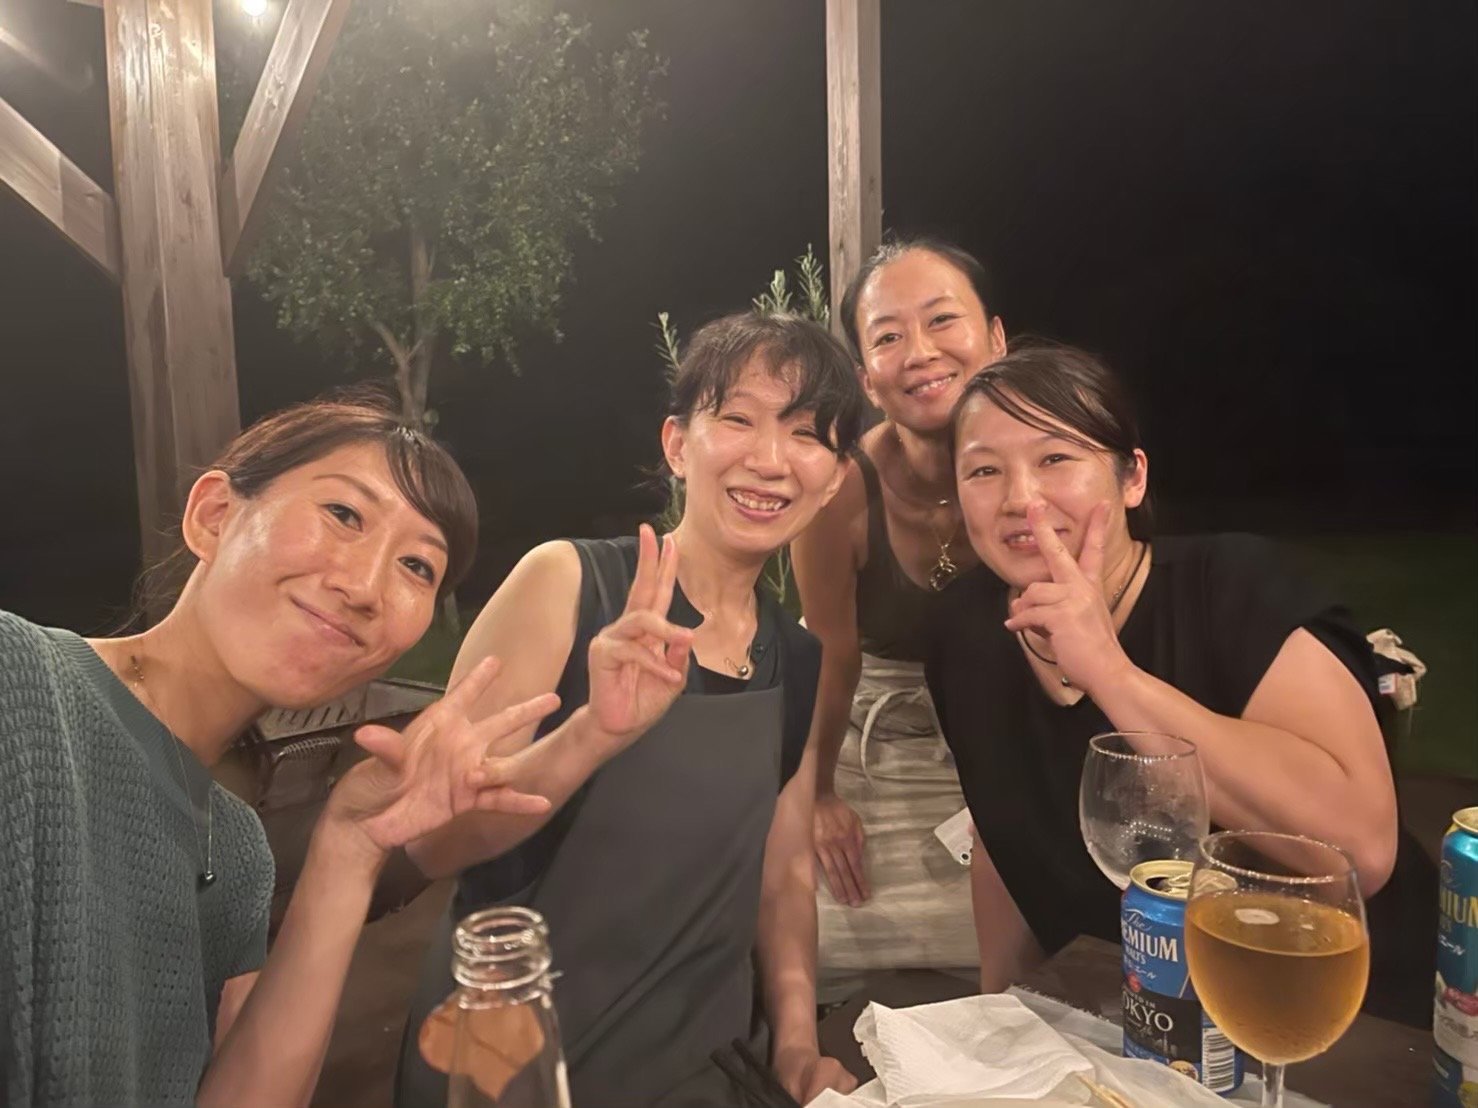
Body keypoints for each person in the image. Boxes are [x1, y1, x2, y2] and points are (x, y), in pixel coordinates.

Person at [0, 394, 560, 1107]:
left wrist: (349, 848)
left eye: (417, 567)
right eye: (344, 514)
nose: (366, 587)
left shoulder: (237, 853)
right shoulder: (20, 684)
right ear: (213, 516)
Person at [398, 312, 866, 1107]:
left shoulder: (797, 655)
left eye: (805, 435)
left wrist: (795, 1043)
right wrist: (589, 736)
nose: (769, 459)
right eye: (738, 419)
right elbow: (434, 840)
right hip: (519, 1066)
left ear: (833, 479)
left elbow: (784, 873)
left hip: (711, 1071)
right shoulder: (569, 585)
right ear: (678, 444)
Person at [926, 341, 1435, 1025]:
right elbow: (999, 831)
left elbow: (1360, 850)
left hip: (1347, 1019)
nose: (1021, 499)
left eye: (1056, 459)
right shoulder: (963, 632)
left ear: (1132, 478)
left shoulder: (1234, 591)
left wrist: (1110, 672)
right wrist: (999, 1013)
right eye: (984, 470)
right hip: (1138, 1022)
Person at [791, 237, 1005, 998]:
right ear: (866, 380)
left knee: (1048, 942)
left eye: (943, 320)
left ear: (996, 339)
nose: (919, 352)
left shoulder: (1046, 466)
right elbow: (831, 652)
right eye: (888, 336)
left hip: (1010, 736)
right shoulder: (840, 492)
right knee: (811, 929)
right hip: (877, 738)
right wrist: (817, 794)